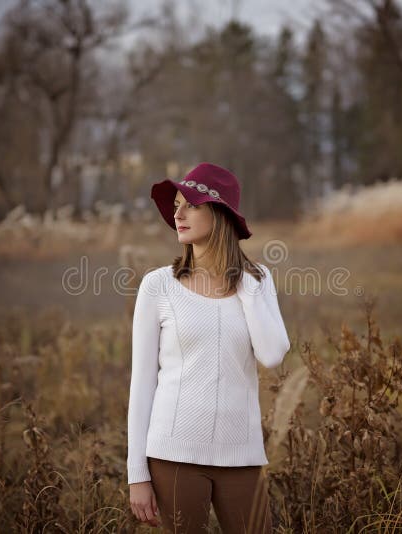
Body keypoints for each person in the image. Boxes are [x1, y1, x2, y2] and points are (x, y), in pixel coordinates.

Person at [127, 162, 292, 533]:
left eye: (192, 205)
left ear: (220, 214)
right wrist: (136, 473)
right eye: (177, 205)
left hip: (242, 455)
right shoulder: (158, 286)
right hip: (173, 455)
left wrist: (244, 281)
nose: (178, 213)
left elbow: (272, 354)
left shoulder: (258, 280)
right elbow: (142, 384)